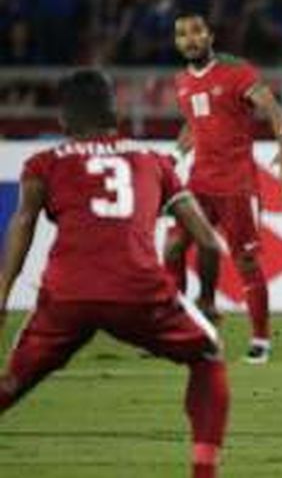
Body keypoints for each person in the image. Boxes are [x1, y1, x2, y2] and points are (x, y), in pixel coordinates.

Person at [0, 69, 228, 478]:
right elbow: (210, 243)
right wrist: (206, 300)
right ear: (118, 114)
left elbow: (23, 224)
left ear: (63, 122)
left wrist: (2, 295)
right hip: (139, 291)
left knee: (14, 381)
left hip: (66, 297)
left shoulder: (42, 164)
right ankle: (204, 471)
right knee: (208, 355)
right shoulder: (153, 161)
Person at [168, 11, 282, 364]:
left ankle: (261, 340)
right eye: (182, 34)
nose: (189, 39)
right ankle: (181, 322)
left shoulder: (237, 71)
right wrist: (176, 154)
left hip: (238, 185)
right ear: (176, 42)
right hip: (199, 183)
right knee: (174, 248)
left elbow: (274, 110)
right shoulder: (181, 81)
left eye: (196, 32)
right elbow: (194, 124)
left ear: (210, 36)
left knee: (246, 261)